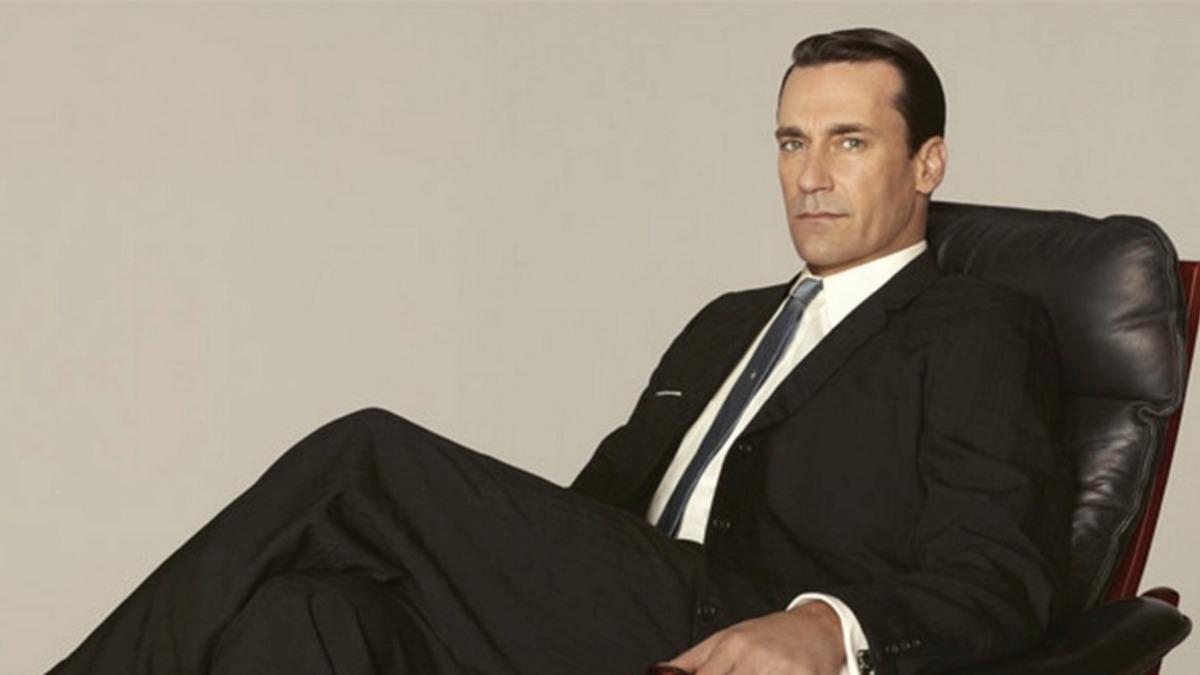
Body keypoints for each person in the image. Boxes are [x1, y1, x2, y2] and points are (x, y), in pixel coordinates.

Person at [48, 27, 1070, 675]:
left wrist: (826, 626)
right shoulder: (727, 321)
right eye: (791, 142)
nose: (810, 175)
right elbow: (592, 518)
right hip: (609, 611)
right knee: (303, 614)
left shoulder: (978, 327)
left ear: (927, 163)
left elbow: (1001, 575)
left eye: (849, 141)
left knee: (365, 455)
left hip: (740, 617)